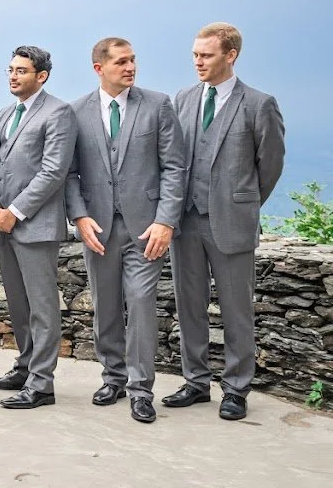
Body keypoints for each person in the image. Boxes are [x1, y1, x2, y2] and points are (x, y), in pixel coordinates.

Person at [164, 23, 284, 422]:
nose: (197, 61)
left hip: (232, 222)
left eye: (206, 55)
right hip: (186, 221)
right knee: (189, 307)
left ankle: (236, 389)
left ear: (230, 55)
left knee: (236, 310)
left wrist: (242, 204)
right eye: (195, 54)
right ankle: (196, 383)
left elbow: (270, 166)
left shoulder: (259, 103)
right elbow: (173, 159)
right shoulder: (182, 99)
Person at [65, 37, 186, 424]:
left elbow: (174, 168)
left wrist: (165, 220)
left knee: (142, 305)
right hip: (98, 228)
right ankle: (113, 377)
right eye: (121, 61)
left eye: (133, 60)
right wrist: (80, 217)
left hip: (146, 229)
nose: (130, 67)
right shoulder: (76, 111)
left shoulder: (157, 104)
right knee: (105, 306)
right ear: (99, 68)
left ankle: (140, 389)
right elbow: (69, 174)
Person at [0, 46, 77, 409]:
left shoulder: (58, 112)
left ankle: (42, 384)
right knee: (18, 305)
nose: (13, 76)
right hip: (2, 223)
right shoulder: (6, 113)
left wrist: (16, 212)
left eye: (21, 71)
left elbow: (53, 171)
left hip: (35, 225)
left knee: (41, 307)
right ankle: (24, 366)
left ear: (42, 76)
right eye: (10, 69)